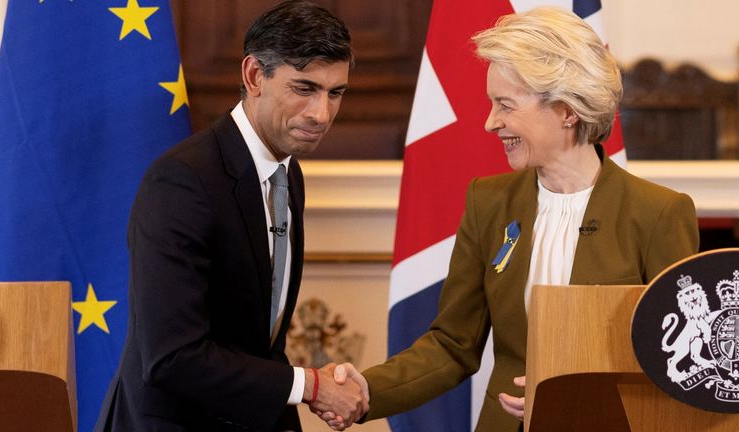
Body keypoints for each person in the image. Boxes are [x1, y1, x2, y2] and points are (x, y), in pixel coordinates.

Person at [320, 6, 699, 432]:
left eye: (505, 105)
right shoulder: (489, 202)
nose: (489, 123)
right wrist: (365, 390)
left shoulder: (657, 213)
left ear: (566, 110)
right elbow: (452, 346)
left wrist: (575, 398)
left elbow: (680, 362)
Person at [94, 2, 368, 431]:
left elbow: (257, 340)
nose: (321, 114)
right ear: (254, 76)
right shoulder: (182, 180)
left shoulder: (287, 172)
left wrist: (309, 388)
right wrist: (309, 385)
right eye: (304, 88)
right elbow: (172, 356)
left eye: (335, 93)